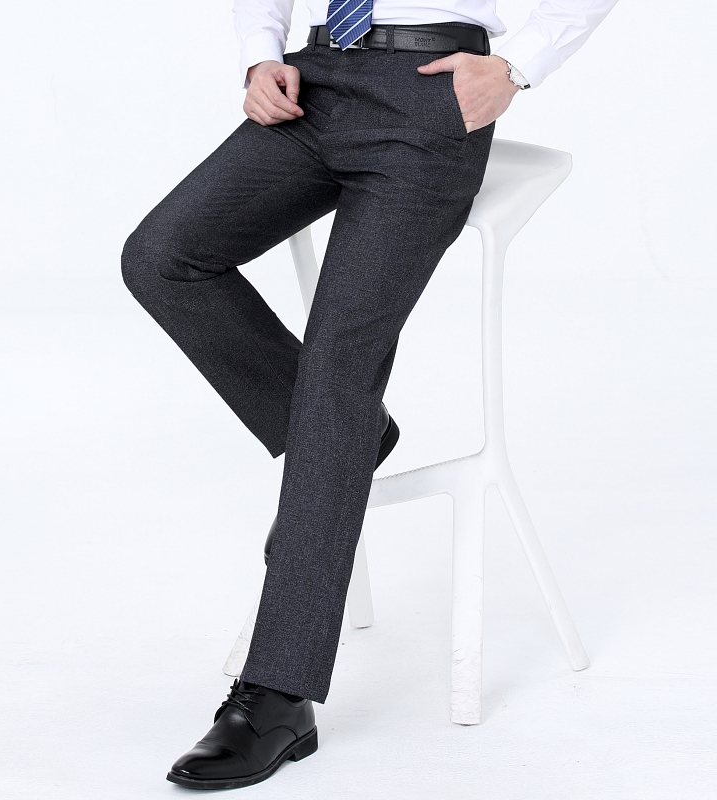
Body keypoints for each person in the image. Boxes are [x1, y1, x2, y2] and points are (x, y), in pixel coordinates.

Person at [121, 0, 618, 789]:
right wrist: (261, 53)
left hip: (432, 93)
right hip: (313, 81)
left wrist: (518, 66)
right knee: (162, 257)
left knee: (338, 373)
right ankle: (347, 437)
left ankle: (278, 696)